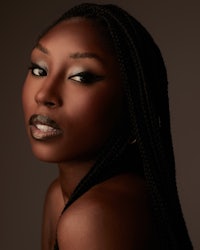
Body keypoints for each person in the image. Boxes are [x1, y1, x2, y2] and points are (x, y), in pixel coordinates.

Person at [22, 3, 193, 250]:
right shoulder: (59, 196)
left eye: (81, 77)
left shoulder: (93, 216)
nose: (44, 94)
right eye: (39, 69)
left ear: (131, 108)